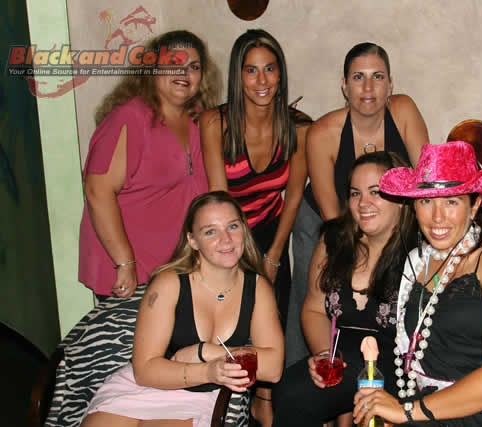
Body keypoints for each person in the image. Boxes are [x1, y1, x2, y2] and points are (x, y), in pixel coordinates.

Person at [353, 142, 482, 426]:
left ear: (474, 205)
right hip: (431, 408)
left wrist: (405, 412)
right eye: (426, 201)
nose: (437, 217)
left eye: (451, 202)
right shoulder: (416, 261)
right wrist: (390, 407)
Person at [81, 191, 284, 427]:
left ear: (244, 230)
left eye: (232, 226)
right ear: (192, 240)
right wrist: (208, 371)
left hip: (197, 397)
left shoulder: (258, 288)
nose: (226, 239)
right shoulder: (169, 284)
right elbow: (144, 371)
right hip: (146, 386)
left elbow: (273, 369)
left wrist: (205, 352)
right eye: (210, 231)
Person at [287, 42, 429, 366]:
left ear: (390, 84)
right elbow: (334, 219)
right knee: (311, 299)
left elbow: (424, 183)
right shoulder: (323, 132)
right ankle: (309, 369)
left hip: (391, 218)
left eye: (377, 76)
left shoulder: (403, 111)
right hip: (331, 219)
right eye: (358, 77)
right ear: (344, 85)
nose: (368, 87)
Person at [199, 28, 310, 426]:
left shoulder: (299, 128)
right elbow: (219, 199)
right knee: (230, 312)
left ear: (281, 73)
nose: (262, 80)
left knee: (272, 316)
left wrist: (274, 256)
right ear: (238, 75)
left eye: (270, 69)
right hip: (228, 229)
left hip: (271, 228)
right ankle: (219, 397)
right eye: (251, 70)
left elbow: (293, 196)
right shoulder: (215, 123)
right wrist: (241, 255)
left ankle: (264, 402)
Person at [272, 151, 417, 426]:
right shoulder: (335, 240)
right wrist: (325, 355)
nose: (363, 203)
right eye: (354, 193)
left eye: (376, 192)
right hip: (343, 357)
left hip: (399, 367)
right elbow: (314, 309)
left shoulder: (420, 250)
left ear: (401, 198)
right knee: (290, 390)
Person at [79, 30, 218, 299]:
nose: (184, 73)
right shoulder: (129, 118)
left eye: (193, 67)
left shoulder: (200, 118)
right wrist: (124, 262)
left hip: (175, 268)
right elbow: (97, 192)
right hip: (131, 268)